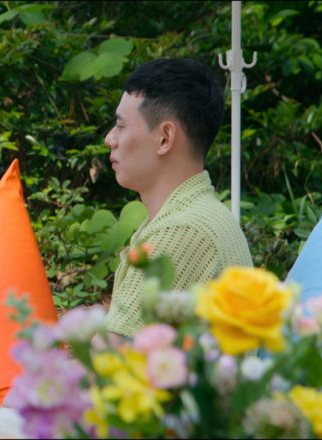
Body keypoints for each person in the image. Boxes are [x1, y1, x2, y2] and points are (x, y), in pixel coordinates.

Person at [103, 58, 253, 339]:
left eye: (121, 126)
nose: (110, 139)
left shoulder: (183, 230)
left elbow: (112, 353)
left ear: (165, 138)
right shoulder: (198, 215)